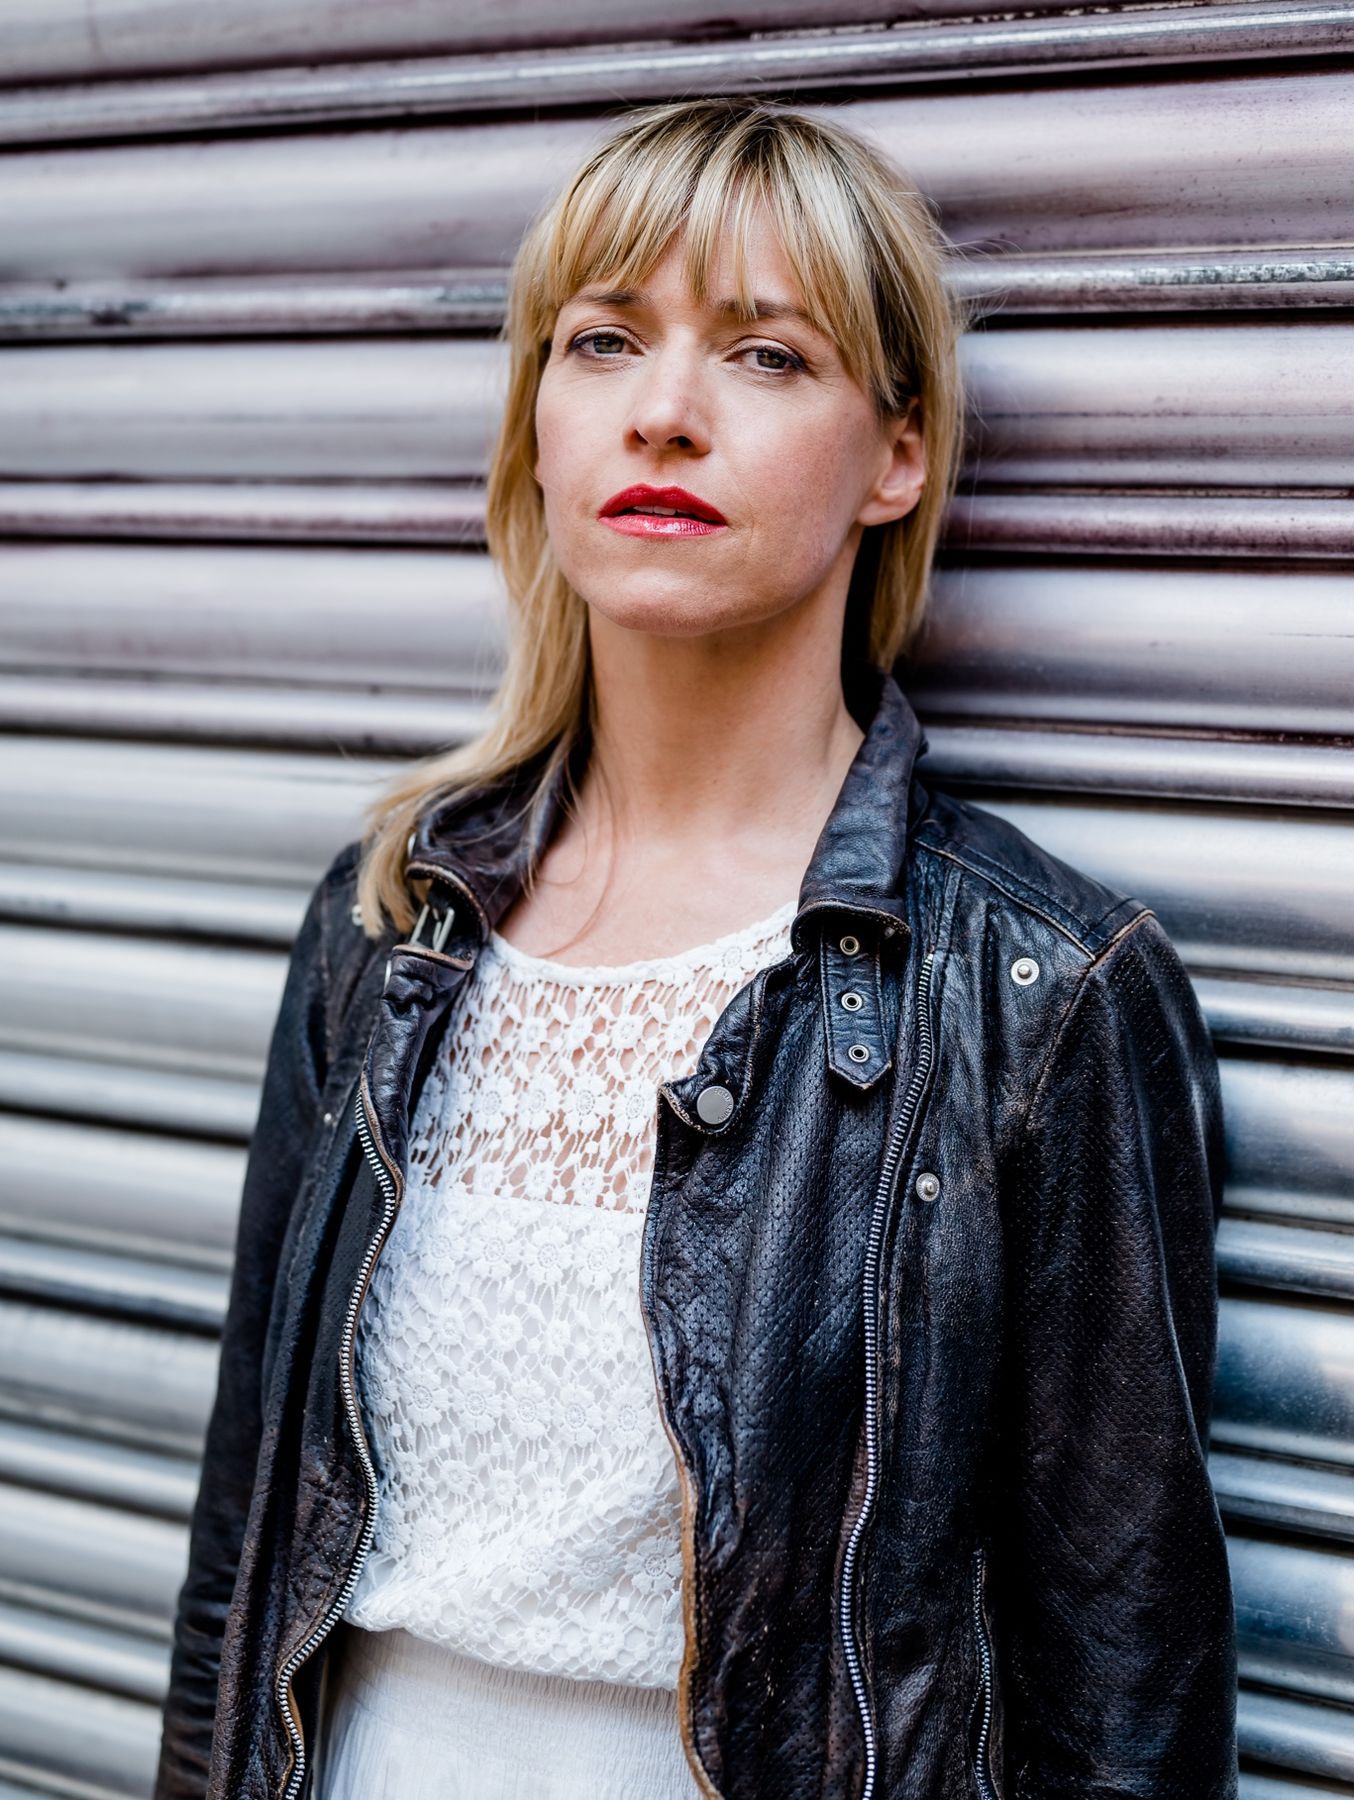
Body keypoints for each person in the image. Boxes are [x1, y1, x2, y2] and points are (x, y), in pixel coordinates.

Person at [153, 97, 1237, 1800]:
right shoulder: (389, 925)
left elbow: (1121, 1684)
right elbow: (244, 1549)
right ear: (536, 423)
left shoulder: (1032, 991)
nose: (662, 411)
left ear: (896, 456)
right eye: (602, 341)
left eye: (765, 354)